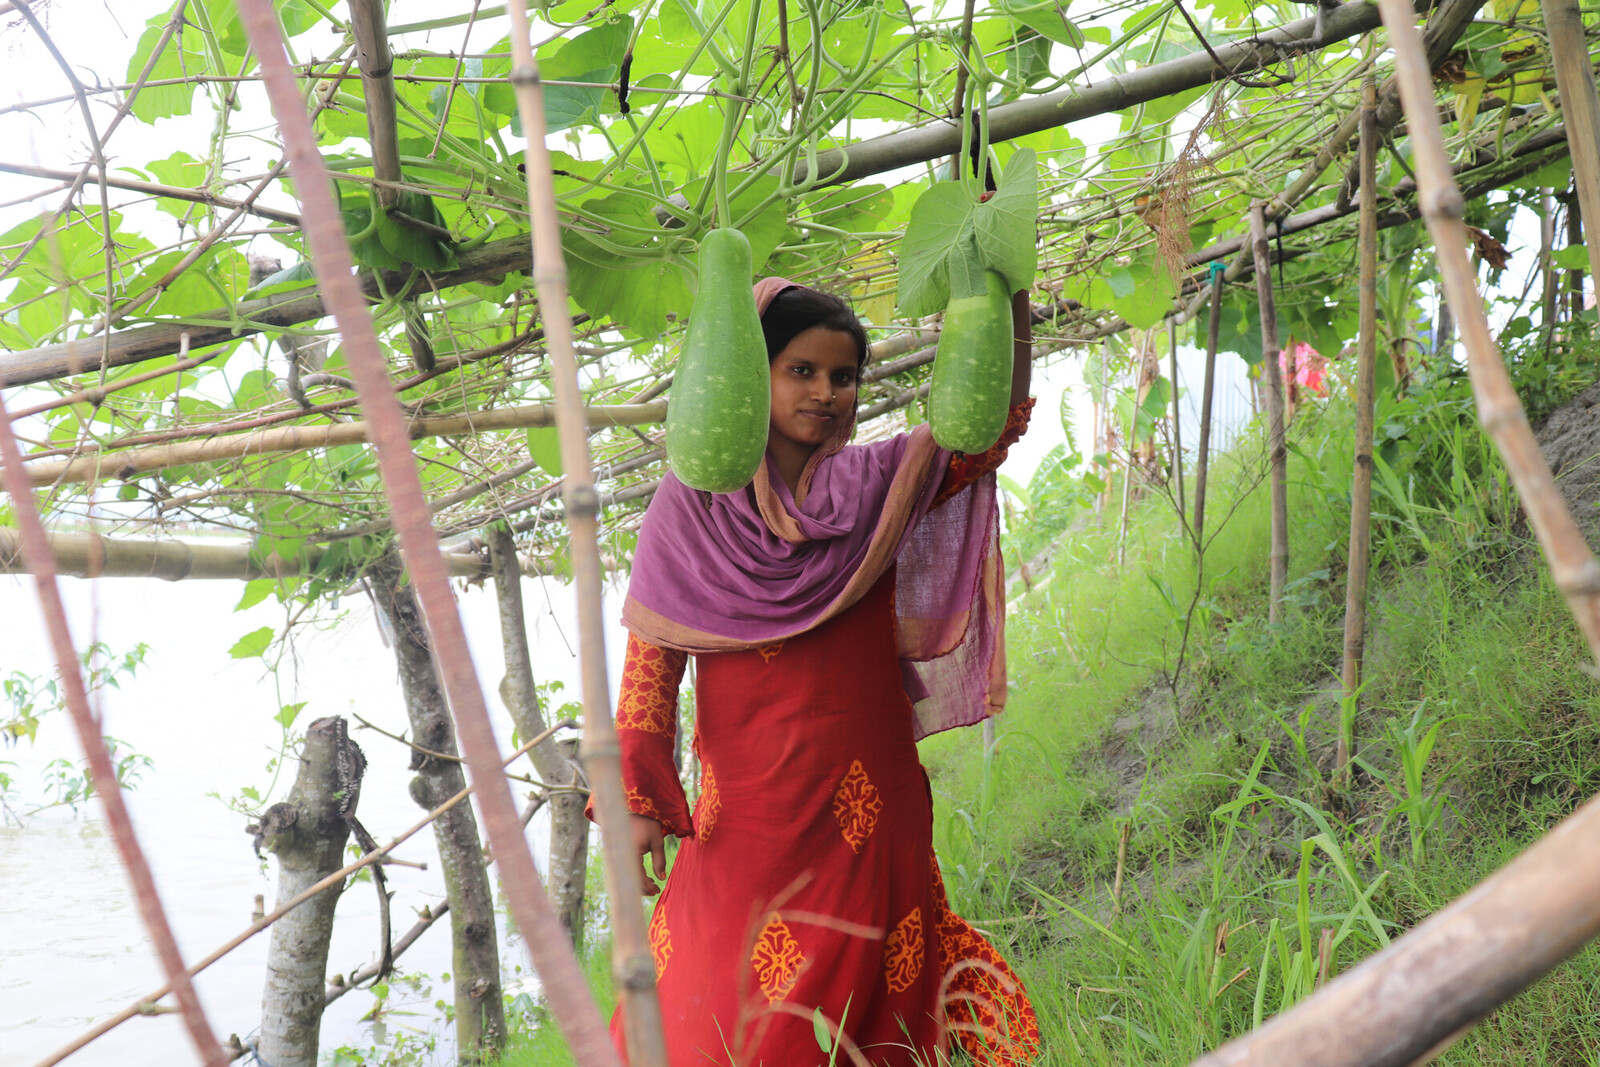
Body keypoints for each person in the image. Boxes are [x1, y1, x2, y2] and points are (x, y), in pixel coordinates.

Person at [601, 274, 1041, 1066]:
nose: (825, 392)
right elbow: (649, 668)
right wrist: (636, 801)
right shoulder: (689, 506)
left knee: (876, 1009)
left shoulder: (882, 485)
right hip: (751, 822)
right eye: (800, 369)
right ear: (750, 375)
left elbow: (991, 428)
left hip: (873, 813)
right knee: (717, 1016)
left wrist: (1006, 289)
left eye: (843, 376)